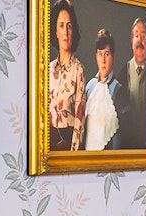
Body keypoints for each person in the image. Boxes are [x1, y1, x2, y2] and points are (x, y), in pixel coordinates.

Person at [48, 0, 86, 151]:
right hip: (47, 149)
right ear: (56, 31)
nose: (65, 31)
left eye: (69, 26)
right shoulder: (48, 70)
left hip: (67, 148)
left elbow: (79, 121)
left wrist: (73, 156)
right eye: (61, 25)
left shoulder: (78, 70)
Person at [83, 29, 130, 150]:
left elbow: (120, 139)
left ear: (113, 57)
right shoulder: (89, 87)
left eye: (107, 54)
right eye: (100, 54)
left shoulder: (119, 92)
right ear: (96, 56)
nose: (103, 59)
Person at [121, 17, 146, 149]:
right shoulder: (125, 71)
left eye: (143, 36)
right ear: (131, 42)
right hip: (130, 146)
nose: (140, 40)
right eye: (136, 36)